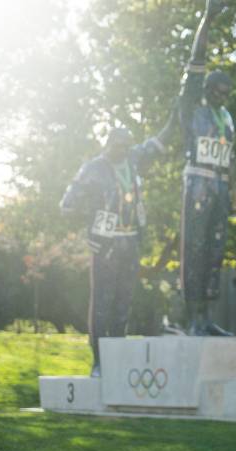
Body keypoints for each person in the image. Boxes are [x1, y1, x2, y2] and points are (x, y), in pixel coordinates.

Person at [60, 126, 172, 377]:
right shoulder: (92, 168)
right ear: (108, 143)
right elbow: (67, 206)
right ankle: (99, 361)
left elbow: (155, 143)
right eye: (118, 145)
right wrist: (94, 218)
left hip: (130, 242)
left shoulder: (132, 161)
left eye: (126, 146)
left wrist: (177, 113)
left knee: (123, 303)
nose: (122, 150)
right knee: (102, 303)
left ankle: (118, 358)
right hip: (106, 244)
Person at [177, 0, 236, 335]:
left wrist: (234, 187)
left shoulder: (226, 118)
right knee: (195, 249)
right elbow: (195, 64)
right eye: (217, 91)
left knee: (215, 251)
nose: (221, 97)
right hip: (197, 184)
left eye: (226, 93)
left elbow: (231, 156)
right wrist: (207, 20)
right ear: (206, 89)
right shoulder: (193, 108)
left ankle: (208, 317)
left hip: (220, 188)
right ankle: (193, 317)